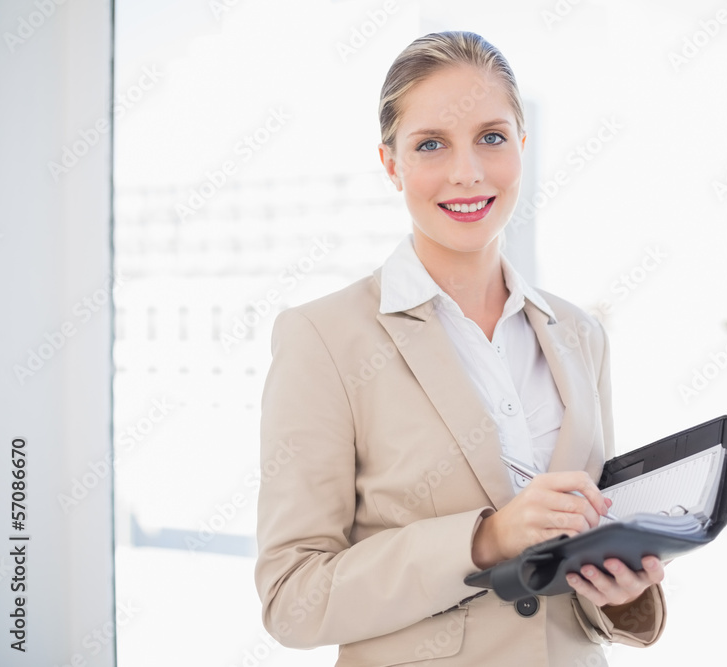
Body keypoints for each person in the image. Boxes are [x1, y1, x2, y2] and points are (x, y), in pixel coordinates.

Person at [254, 30, 666, 665]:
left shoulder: (580, 334)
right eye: (431, 144)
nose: (467, 171)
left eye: (491, 137)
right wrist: (485, 540)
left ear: (522, 145)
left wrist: (620, 591)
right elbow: (292, 598)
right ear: (391, 164)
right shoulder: (324, 338)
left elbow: (582, 552)